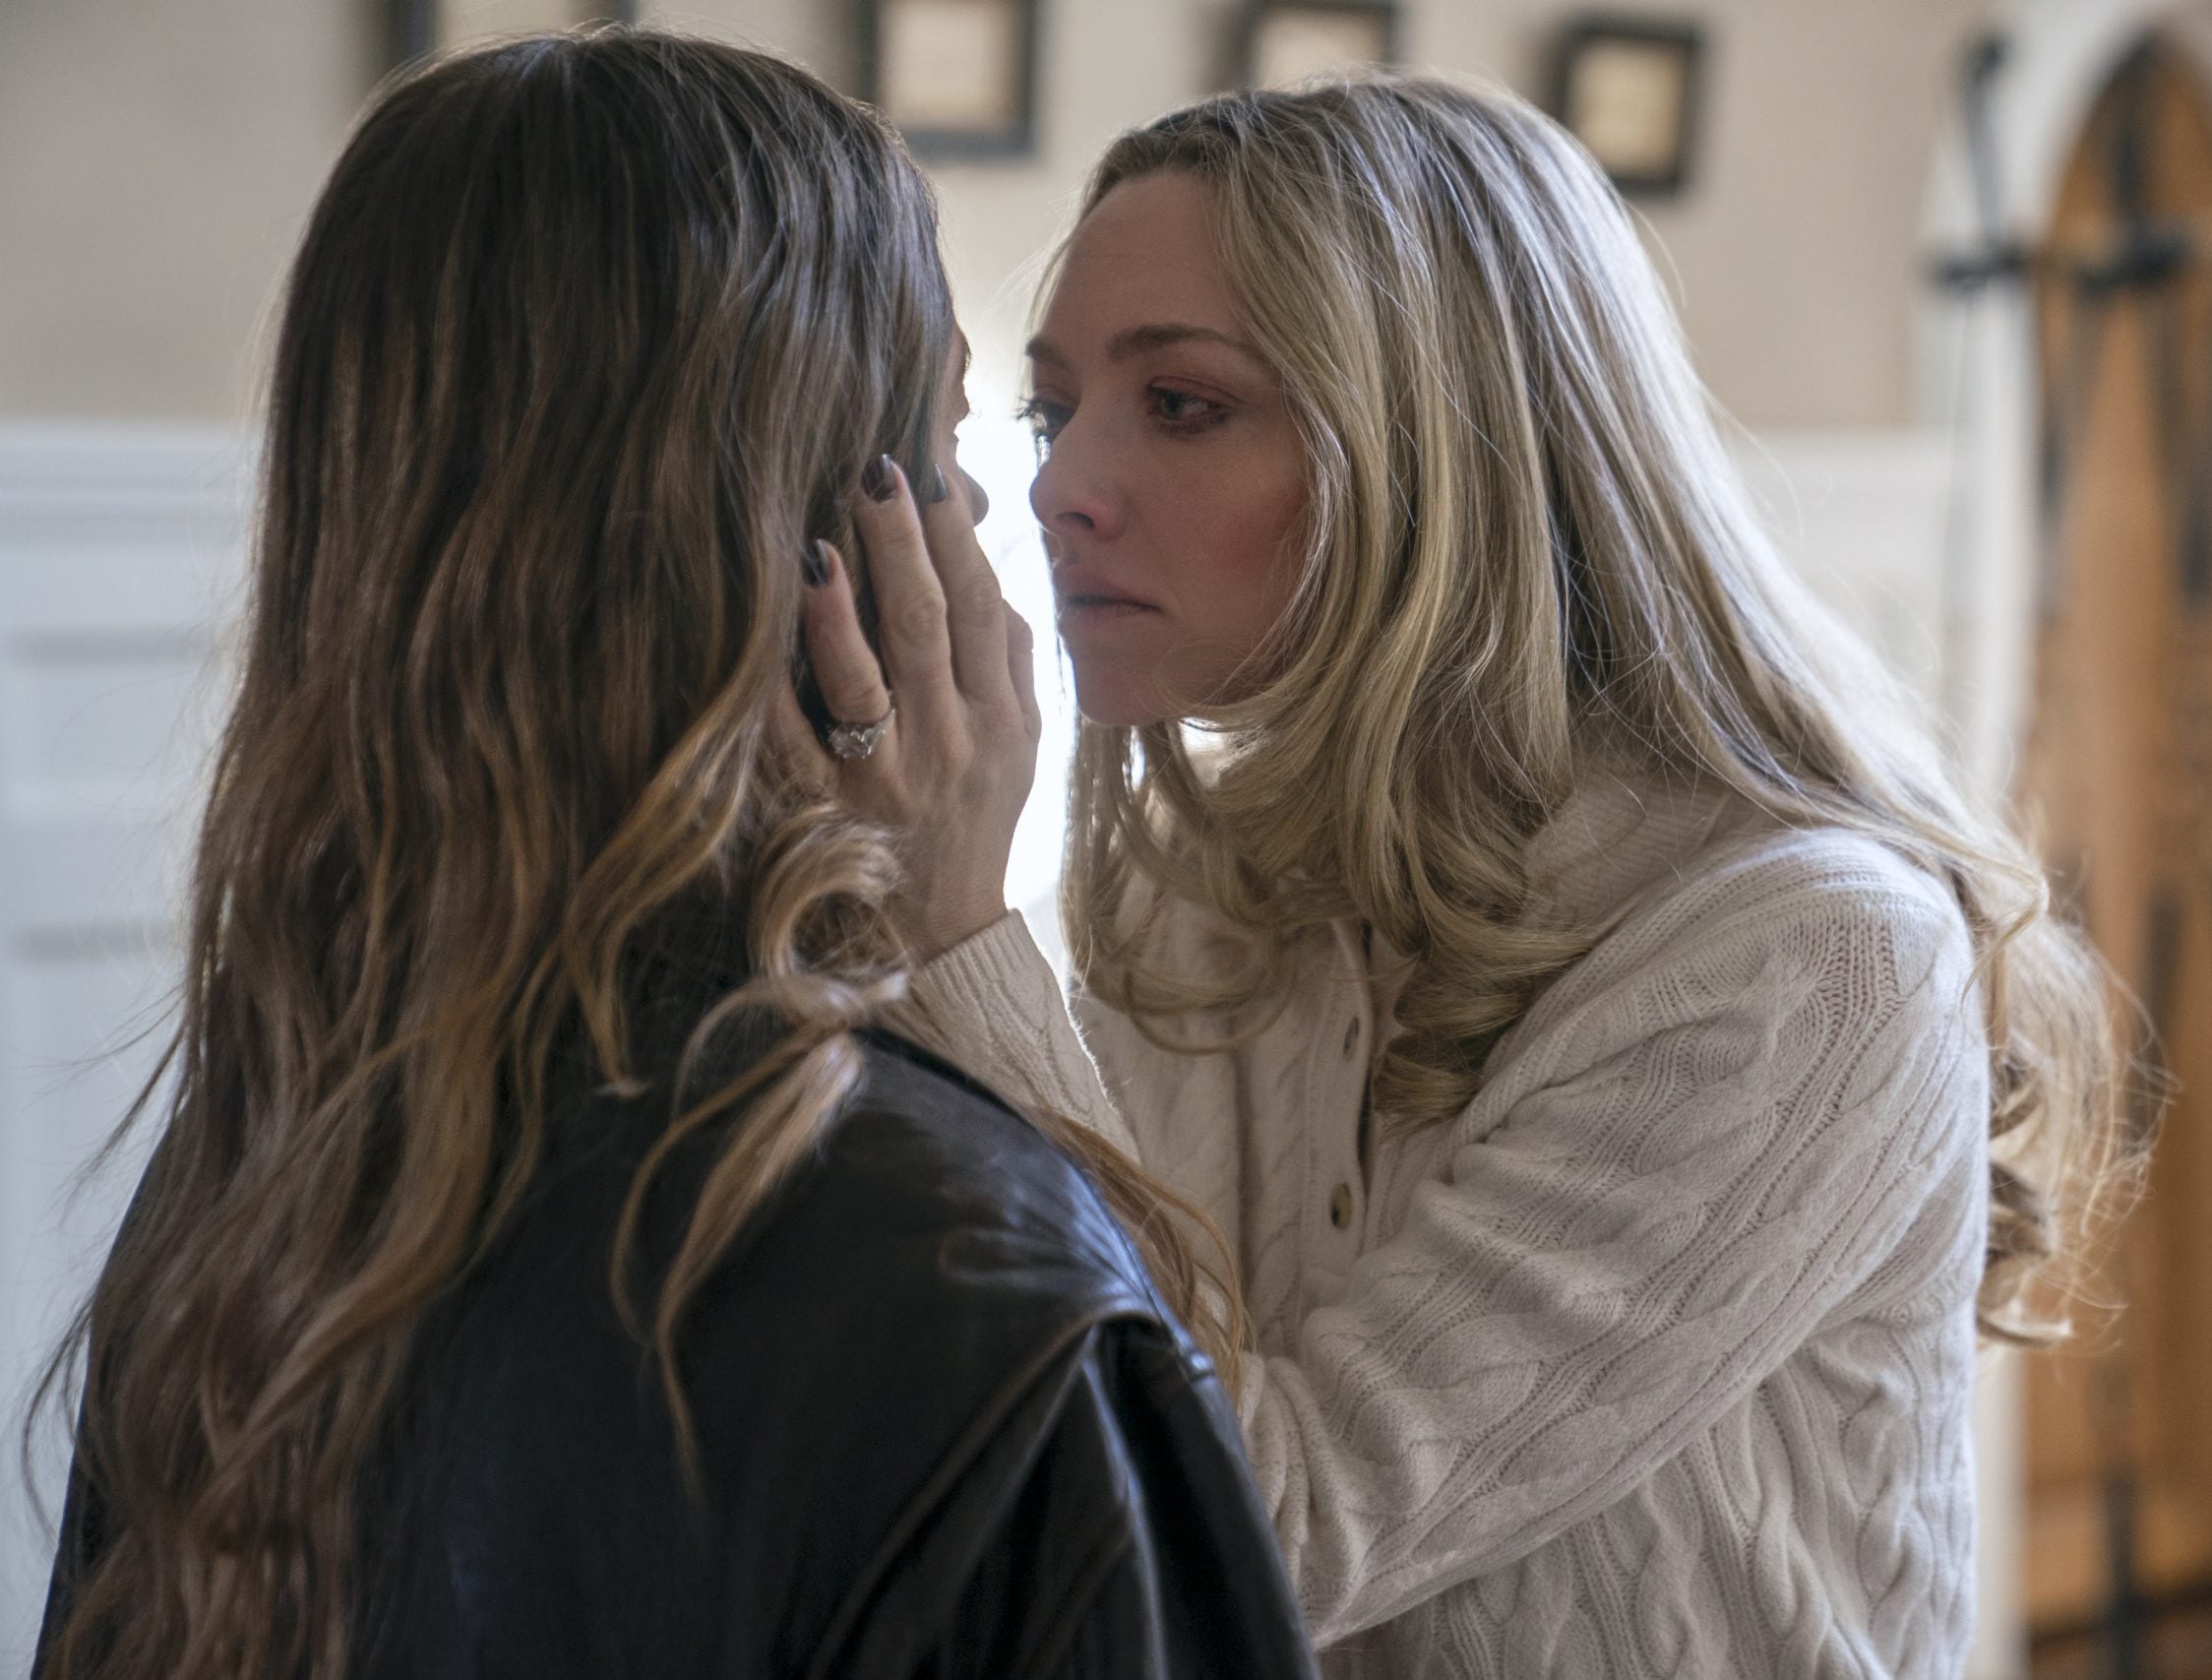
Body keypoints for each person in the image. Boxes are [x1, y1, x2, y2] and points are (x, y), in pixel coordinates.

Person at [30, 31, 1316, 1680]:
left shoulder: (266, 1167)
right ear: (834, 549)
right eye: (952, 442)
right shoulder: (960, 1272)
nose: (1006, 516)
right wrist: (956, 939)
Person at [824, 75, 2126, 1677]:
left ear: (1436, 449)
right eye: (1053, 410)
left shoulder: (1809, 956)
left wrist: (955, 925)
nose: (1058, 486)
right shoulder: (1203, 891)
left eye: (1180, 405)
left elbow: (1247, 1535)